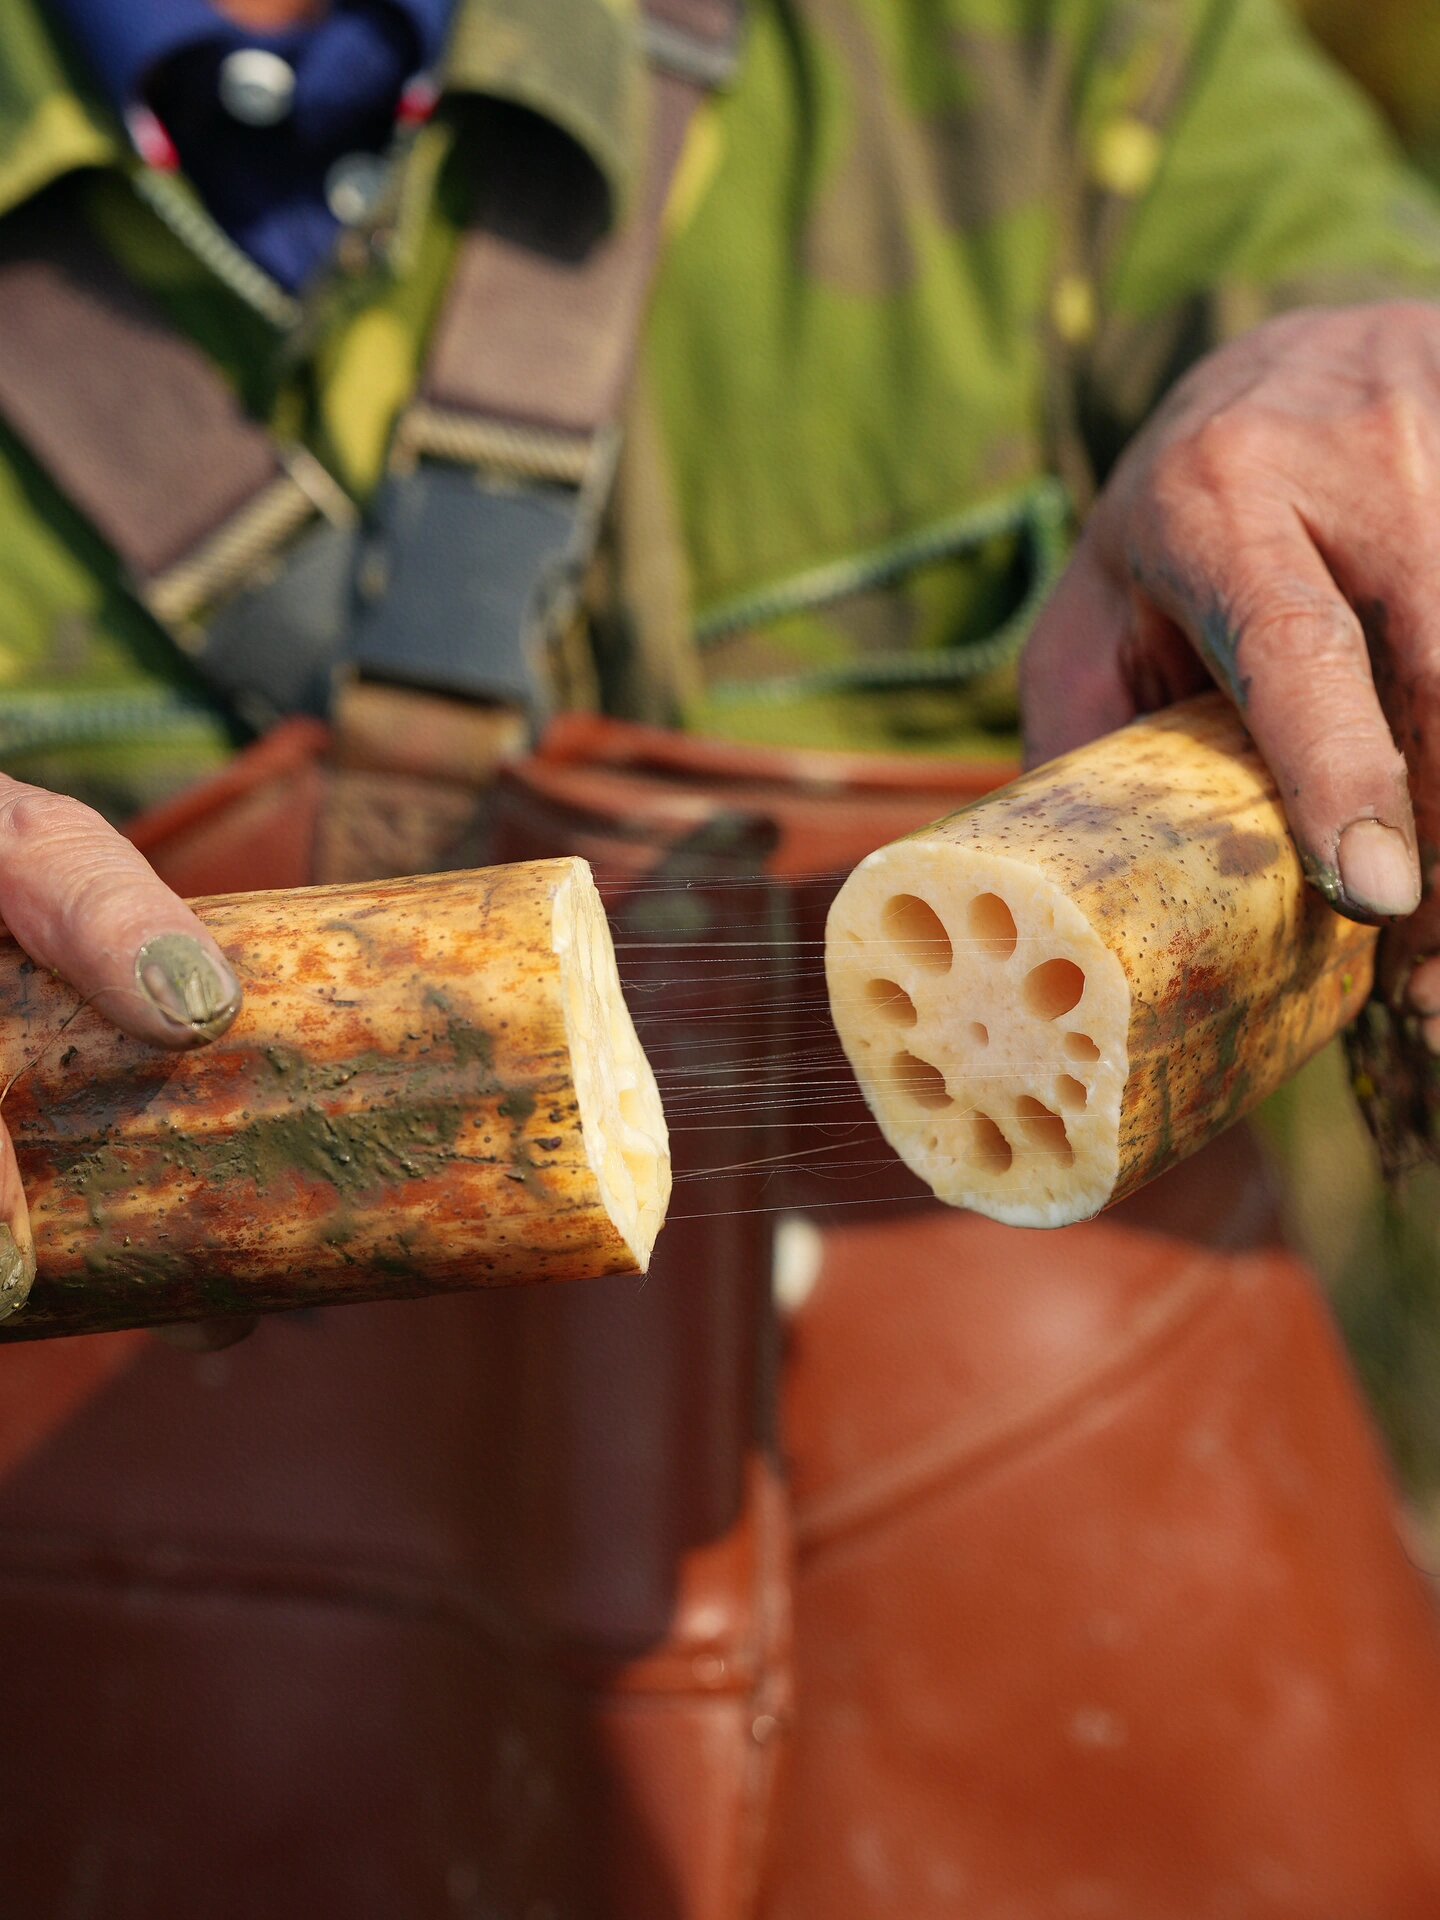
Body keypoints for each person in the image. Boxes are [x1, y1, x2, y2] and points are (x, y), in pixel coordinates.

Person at [5, 0, 1440, 1913]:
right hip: (160, 1783)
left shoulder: (1034, 48)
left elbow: (1346, 293)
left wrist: (1364, 370)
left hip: (1100, 1727)